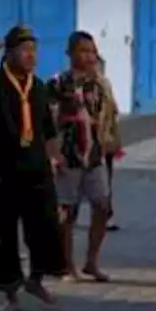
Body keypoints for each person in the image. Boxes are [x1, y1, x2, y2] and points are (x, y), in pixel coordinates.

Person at [0, 25, 67, 311]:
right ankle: (10, 294)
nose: (31, 57)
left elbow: (47, 129)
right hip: (1, 168)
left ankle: (36, 279)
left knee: (45, 226)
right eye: (25, 51)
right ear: (10, 53)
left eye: (34, 51)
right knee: (2, 232)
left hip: (36, 167)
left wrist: (55, 158)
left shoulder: (38, 86)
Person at [46, 31, 112, 282]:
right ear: (71, 53)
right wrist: (52, 154)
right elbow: (49, 121)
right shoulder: (57, 83)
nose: (89, 56)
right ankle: (66, 265)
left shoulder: (98, 84)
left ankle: (92, 262)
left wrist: (108, 142)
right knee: (67, 211)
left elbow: (105, 116)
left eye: (92, 51)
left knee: (102, 206)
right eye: (83, 51)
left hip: (93, 154)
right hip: (68, 154)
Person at [94, 53, 123, 232]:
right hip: (86, 142)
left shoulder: (105, 85)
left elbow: (113, 112)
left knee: (105, 180)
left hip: (105, 140)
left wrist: (115, 139)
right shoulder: (77, 85)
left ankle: (105, 215)